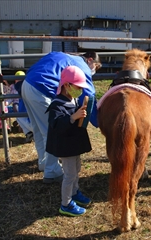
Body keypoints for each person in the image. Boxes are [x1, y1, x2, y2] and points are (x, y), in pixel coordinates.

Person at [21, 51, 101, 183]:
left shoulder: (63, 56)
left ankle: (44, 163)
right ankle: (52, 172)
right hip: (42, 89)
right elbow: (88, 93)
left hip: (28, 84)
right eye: (96, 66)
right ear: (90, 60)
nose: (94, 70)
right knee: (52, 132)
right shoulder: (81, 65)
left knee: (38, 130)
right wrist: (98, 121)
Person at [46, 66, 92, 216]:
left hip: (73, 145)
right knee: (69, 174)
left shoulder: (73, 99)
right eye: (77, 87)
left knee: (76, 169)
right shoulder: (57, 105)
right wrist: (73, 117)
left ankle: (74, 192)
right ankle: (66, 203)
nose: (79, 90)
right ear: (67, 85)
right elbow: (57, 125)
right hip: (66, 147)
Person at [11, 71, 34, 143]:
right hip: (40, 121)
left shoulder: (20, 91)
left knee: (18, 116)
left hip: (31, 121)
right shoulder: (31, 90)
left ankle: (28, 133)